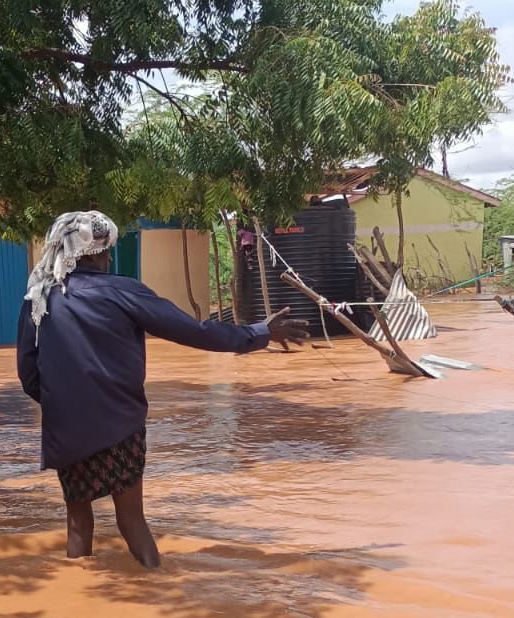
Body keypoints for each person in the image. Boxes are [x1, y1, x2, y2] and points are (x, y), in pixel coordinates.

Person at [16, 210, 308, 568]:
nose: (109, 258)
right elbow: (195, 332)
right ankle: (156, 584)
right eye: (106, 251)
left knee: (78, 525)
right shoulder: (122, 292)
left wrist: (65, 404)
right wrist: (259, 333)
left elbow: (28, 372)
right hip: (120, 427)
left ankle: (80, 599)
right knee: (132, 521)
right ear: (90, 253)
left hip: (67, 431)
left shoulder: (39, 299)